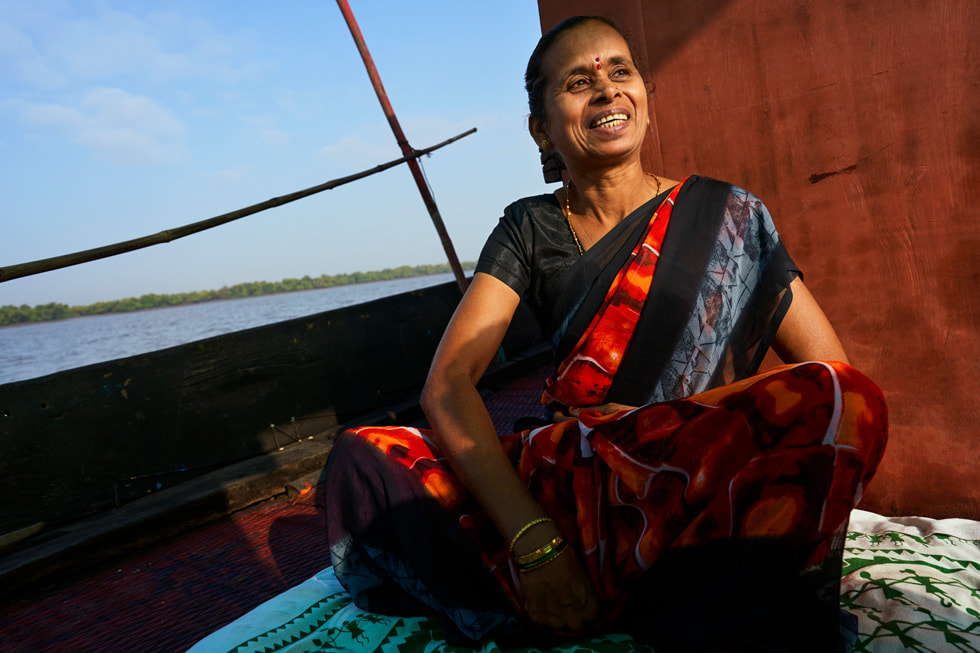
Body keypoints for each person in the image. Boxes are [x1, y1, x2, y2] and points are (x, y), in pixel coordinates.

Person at [324, 15, 887, 652]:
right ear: (541, 127)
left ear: (644, 95)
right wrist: (534, 542)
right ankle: (584, 580)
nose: (606, 89)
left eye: (620, 71)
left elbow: (826, 370)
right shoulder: (528, 227)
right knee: (365, 457)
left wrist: (678, 419)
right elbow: (448, 385)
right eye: (577, 81)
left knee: (847, 401)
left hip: (688, 477)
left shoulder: (730, 214)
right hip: (574, 486)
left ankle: (637, 595)